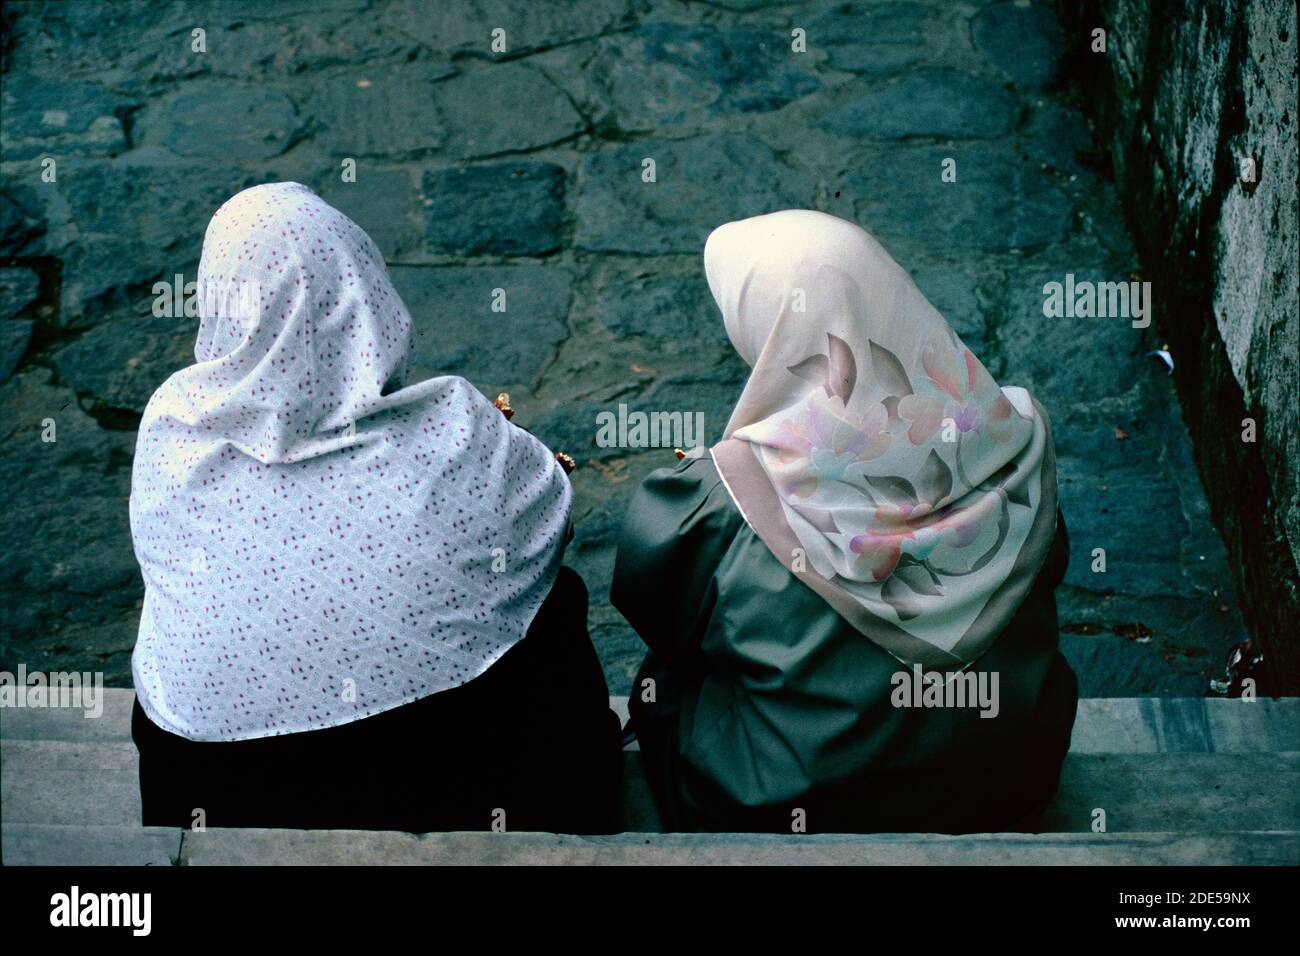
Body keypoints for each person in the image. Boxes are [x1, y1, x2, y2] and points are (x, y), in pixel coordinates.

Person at [129, 182, 621, 833]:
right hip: (447, 774)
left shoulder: (175, 433)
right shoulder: (458, 433)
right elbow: (549, 515)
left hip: (217, 785)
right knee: (550, 601)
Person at [613, 209, 1077, 833]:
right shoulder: (1019, 436)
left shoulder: (719, 498)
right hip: (1007, 784)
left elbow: (656, 612)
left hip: (783, 797)